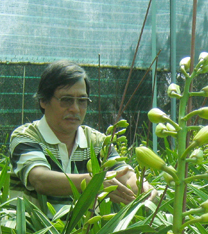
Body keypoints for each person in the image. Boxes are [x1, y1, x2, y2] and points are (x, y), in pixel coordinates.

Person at [9, 60, 154, 206]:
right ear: (43, 101)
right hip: (30, 229)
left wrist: (142, 187)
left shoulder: (96, 142)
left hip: (84, 229)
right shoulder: (26, 136)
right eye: (66, 100)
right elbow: (40, 179)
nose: (75, 109)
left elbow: (123, 174)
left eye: (82, 100)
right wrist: (94, 182)